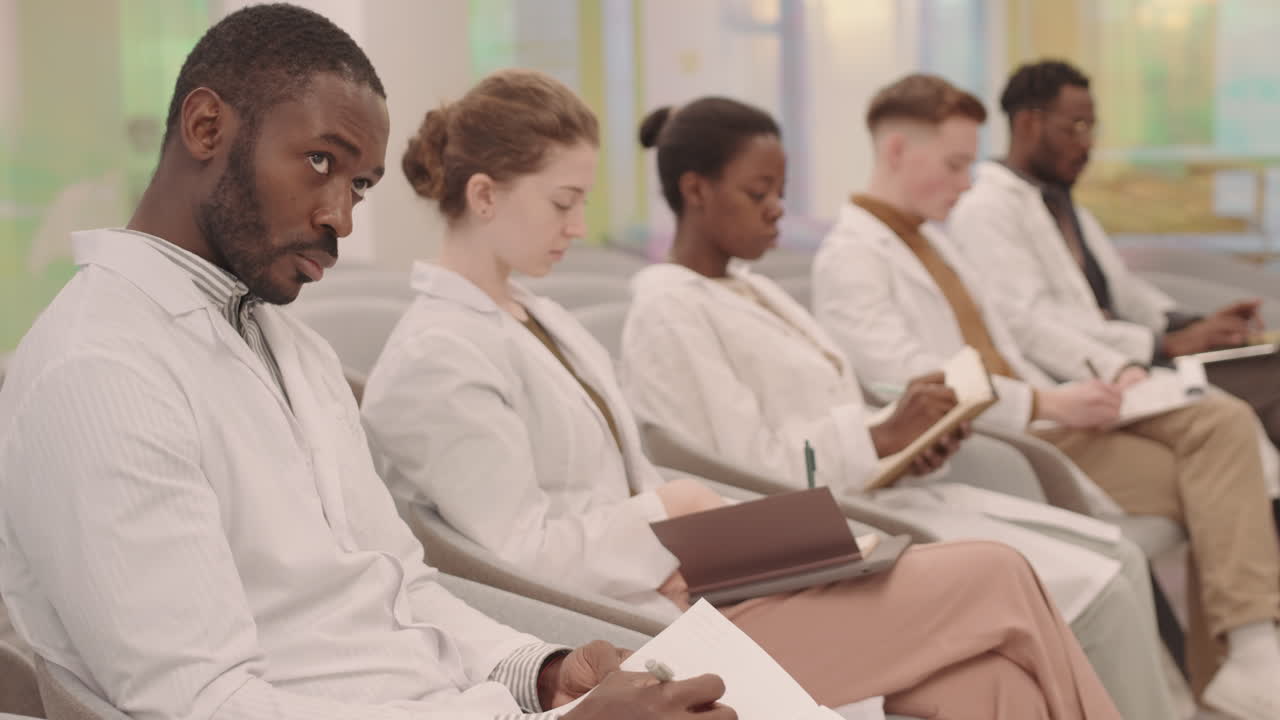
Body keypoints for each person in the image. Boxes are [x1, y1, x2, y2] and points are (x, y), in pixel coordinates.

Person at [0, 7, 733, 720]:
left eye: (358, 185)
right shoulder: (100, 369)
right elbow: (205, 705)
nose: (341, 217)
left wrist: (538, 676)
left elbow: (396, 589)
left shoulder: (290, 347)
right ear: (205, 126)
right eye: (320, 162)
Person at [361, 68, 1124, 720]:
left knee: (988, 682)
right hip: (643, 637)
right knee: (994, 571)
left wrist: (706, 533)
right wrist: (669, 513)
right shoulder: (437, 358)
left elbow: (623, 485)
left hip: (693, 593)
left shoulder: (538, 316)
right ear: (486, 196)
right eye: (563, 203)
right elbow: (519, 557)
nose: (580, 225)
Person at [618, 96, 1175, 720]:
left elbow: (832, 412)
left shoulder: (755, 288)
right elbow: (736, 474)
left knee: (1050, 628)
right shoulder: (669, 311)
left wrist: (905, 441)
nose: (779, 209)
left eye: (782, 189)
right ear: (696, 189)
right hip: (799, 547)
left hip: (866, 500)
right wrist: (876, 441)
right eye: (759, 192)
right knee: (1073, 588)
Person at [812, 72, 1280, 720]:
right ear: (896, 151)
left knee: (1221, 456)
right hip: (1007, 445)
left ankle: (1235, 673)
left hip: (1042, 414)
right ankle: (1239, 664)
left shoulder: (930, 241)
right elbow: (913, 386)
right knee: (1224, 465)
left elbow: (1017, 339)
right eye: (953, 163)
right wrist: (1048, 405)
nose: (966, 181)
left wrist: (1106, 375)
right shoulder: (850, 259)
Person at [948, 59, 1280, 451]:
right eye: (1076, 127)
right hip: (1090, 382)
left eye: (1092, 128)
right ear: (1028, 124)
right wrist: (1164, 345)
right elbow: (1029, 324)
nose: (1088, 143)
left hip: (1137, 360)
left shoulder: (1062, 205)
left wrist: (1199, 325)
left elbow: (1125, 292)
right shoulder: (985, 211)